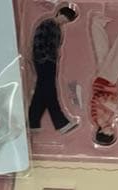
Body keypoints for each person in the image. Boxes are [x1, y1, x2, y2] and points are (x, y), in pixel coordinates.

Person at [28, 5, 79, 134]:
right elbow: (38, 43)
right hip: (45, 60)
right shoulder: (48, 24)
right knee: (49, 90)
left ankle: (33, 121)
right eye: (65, 18)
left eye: (67, 20)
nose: (65, 21)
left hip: (49, 61)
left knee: (42, 91)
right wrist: (44, 58)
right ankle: (60, 122)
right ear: (59, 13)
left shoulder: (56, 28)